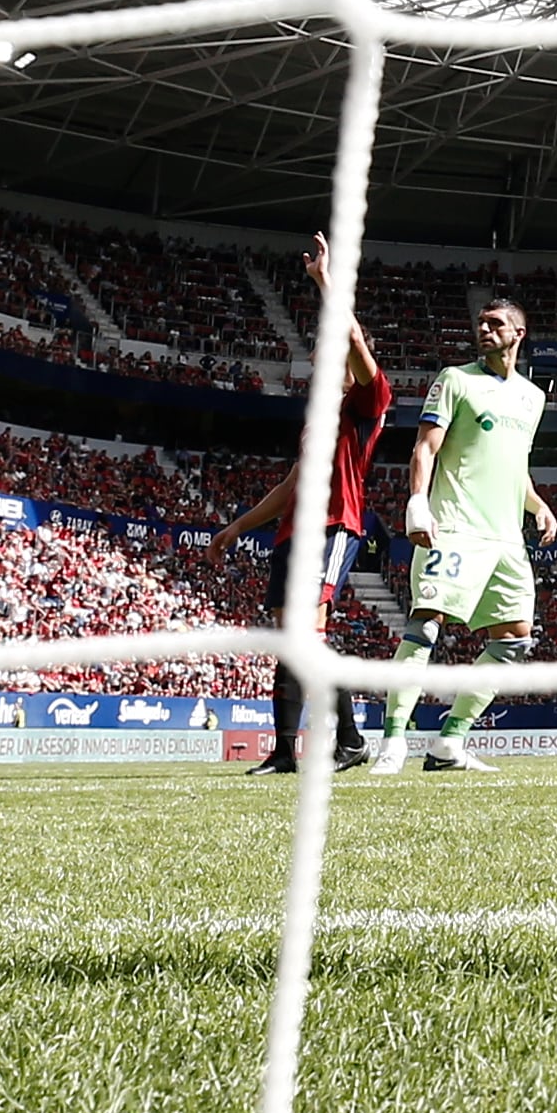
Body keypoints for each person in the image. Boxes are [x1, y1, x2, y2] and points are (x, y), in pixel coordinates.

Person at [223, 239, 395, 777]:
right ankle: (285, 752)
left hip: (334, 525)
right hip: (291, 533)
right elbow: (290, 487)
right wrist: (236, 528)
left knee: (309, 632)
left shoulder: (367, 403)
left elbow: (352, 337)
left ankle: (348, 738)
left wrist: (325, 282)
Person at [366, 287, 552, 778]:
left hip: (507, 539)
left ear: (518, 332)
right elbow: (425, 449)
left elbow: (514, 465)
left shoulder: (533, 397)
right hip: (454, 528)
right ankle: (392, 743)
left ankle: (450, 742)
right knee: (425, 625)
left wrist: (537, 505)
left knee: (515, 640)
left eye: (495, 322)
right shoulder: (455, 381)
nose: (484, 329)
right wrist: (416, 503)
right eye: (481, 323)